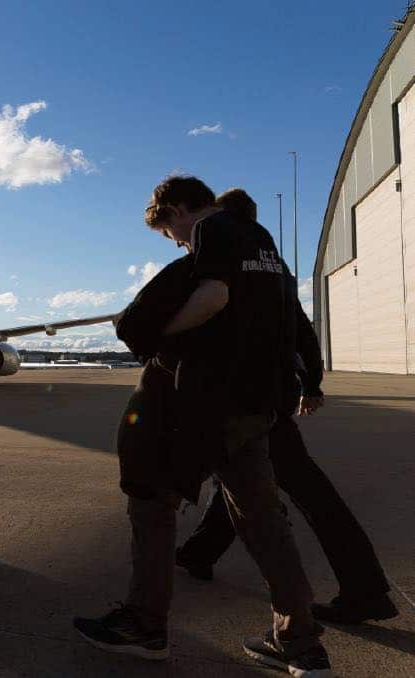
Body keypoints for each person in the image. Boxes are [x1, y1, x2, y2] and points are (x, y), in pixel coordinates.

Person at [73, 176, 331, 676]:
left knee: (152, 503)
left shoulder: (214, 229)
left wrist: (159, 332)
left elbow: (213, 296)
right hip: (253, 406)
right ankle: (299, 640)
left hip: (202, 403)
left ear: (177, 209)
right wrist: (310, 381)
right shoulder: (267, 250)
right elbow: (296, 324)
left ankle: (146, 625)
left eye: (170, 231)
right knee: (262, 520)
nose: (177, 243)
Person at [175, 189, 397, 625]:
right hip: (271, 394)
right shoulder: (271, 259)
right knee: (241, 476)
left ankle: (366, 590)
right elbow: (300, 325)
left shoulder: (226, 247)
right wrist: (311, 382)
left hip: (250, 397)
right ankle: (199, 552)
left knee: (306, 492)